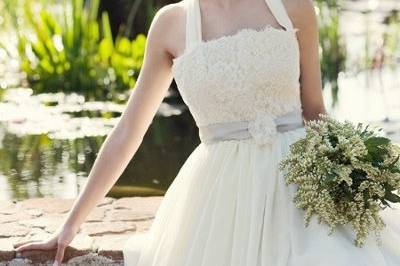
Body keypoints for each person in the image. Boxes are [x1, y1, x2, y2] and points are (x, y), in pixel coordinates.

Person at [14, 0, 400, 265]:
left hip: (297, 183)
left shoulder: (293, 6)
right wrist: (69, 225)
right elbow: (130, 129)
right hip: (218, 199)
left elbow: (315, 110)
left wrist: (350, 172)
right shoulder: (172, 23)